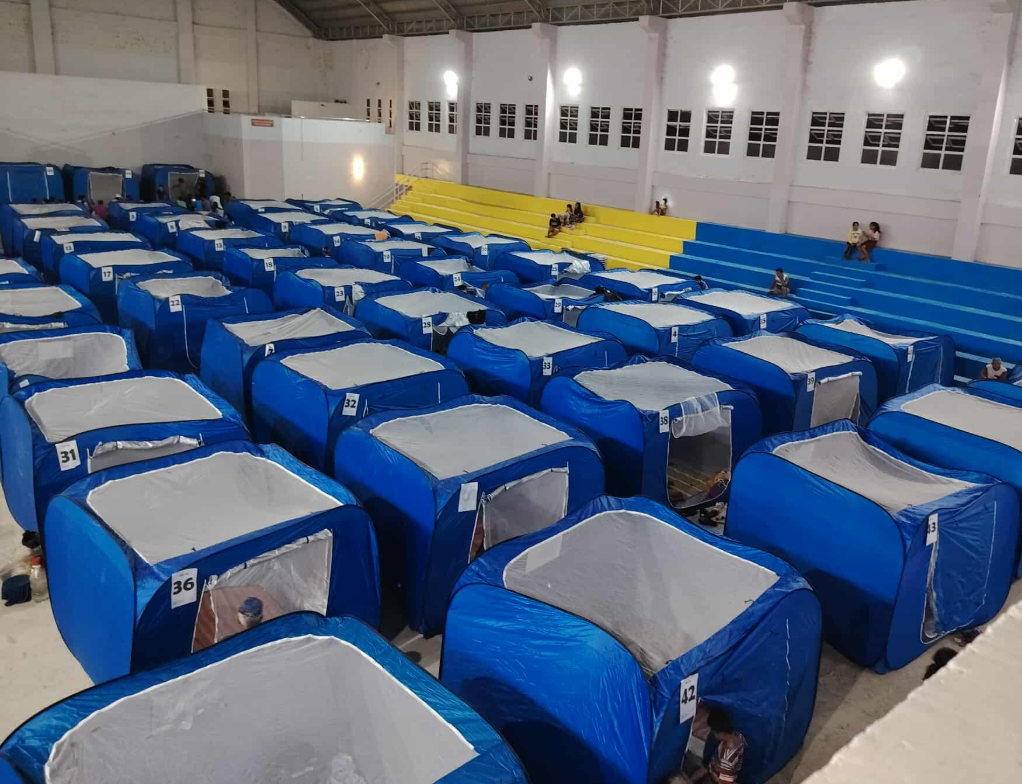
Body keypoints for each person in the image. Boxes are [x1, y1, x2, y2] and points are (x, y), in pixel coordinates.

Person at [690, 705, 746, 784]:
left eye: (713, 732)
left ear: (718, 732)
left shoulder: (727, 759)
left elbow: (725, 782)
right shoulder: (739, 736)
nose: (712, 734)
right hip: (712, 770)